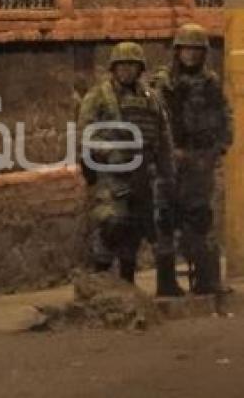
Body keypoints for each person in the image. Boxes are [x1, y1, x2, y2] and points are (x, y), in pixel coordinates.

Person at [78, 42, 175, 285]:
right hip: (112, 174)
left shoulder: (151, 98)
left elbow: (163, 137)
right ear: (114, 68)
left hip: (144, 174)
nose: (127, 70)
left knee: (135, 228)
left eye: (132, 65)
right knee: (111, 223)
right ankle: (99, 283)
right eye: (122, 65)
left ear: (140, 68)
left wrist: (167, 173)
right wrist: (110, 152)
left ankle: (127, 284)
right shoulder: (99, 96)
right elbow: (84, 134)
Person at [150, 24, 233, 295]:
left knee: (199, 218)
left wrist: (219, 147)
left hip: (200, 161)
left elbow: (223, 115)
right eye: (186, 49)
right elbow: (154, 121)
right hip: (170, 161)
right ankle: (166, 282)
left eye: (197, 50)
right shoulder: (164, 83)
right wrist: (168, 152)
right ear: (178, 51)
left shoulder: (210, 82)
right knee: (165, 218)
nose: (191, 55)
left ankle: (206, 280)